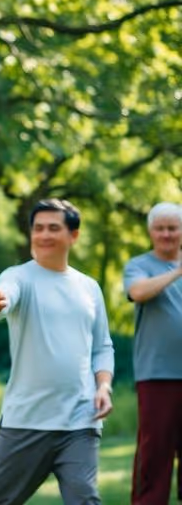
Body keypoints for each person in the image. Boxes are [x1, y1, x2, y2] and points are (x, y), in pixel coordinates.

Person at [0, 198, 114, 505]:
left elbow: (102, 346)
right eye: (38, 228)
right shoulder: (19, 276)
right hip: (27, 420)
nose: (44, 235)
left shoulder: (89, 287)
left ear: (73, 235)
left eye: (53, 228)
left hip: (81, 419)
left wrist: (103, 385)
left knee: (85, 498)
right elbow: (4, 296)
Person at [124, 202, 182, 505]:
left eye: (173, 228)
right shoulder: (139, 265)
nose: (167, 234)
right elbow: (138, 292)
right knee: (155, 452)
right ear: (150, 231)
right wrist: (177, 272)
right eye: (160, 228)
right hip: (157, 374)